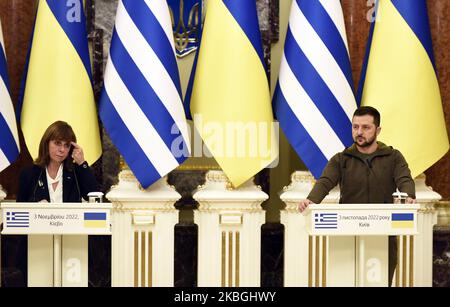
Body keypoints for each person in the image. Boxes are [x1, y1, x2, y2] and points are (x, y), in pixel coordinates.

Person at [298, 106, 416, 286]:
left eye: (366, 127)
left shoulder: (393, 157)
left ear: (378, 130)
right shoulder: (341, 158)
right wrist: (311, 199)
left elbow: (405, 179)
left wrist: (409, 196)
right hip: (346, 232)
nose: (359, 132)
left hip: (383, 232)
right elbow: (325, 182)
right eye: (355, 127)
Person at [2, 121, 99, 286]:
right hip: (36, 247)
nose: (61, 150)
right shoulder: (29, 174)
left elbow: (93, 194)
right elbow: (20, 210)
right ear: (47, 143)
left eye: (67, 145)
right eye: (57, 143)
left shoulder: (75, 172)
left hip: (72, 244)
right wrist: (35, 205)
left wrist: (82, 163)